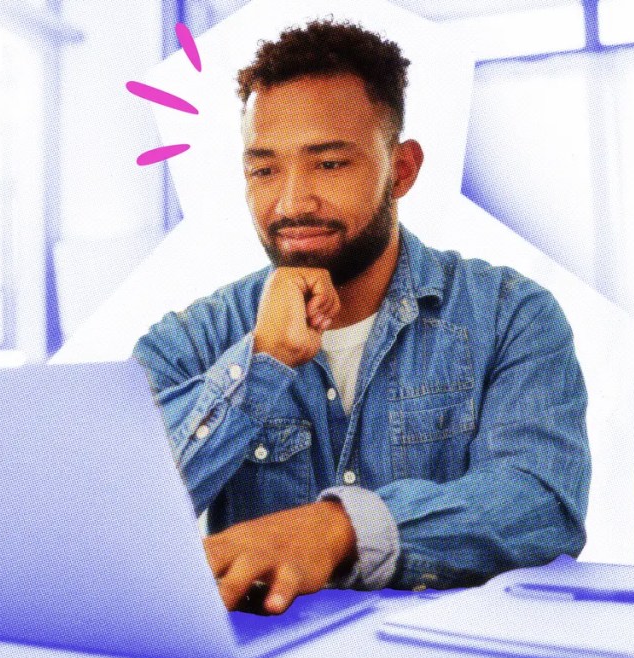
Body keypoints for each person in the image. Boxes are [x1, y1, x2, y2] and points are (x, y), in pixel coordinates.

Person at [132, 19, 590, 615]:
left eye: (329, 164)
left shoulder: (510, 315)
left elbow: (541, 505)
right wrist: (260, 365)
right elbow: (117, 519)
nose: (292, 201)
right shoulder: (191, 340)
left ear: (401, 170)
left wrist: (338, 530)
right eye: (263, 168)